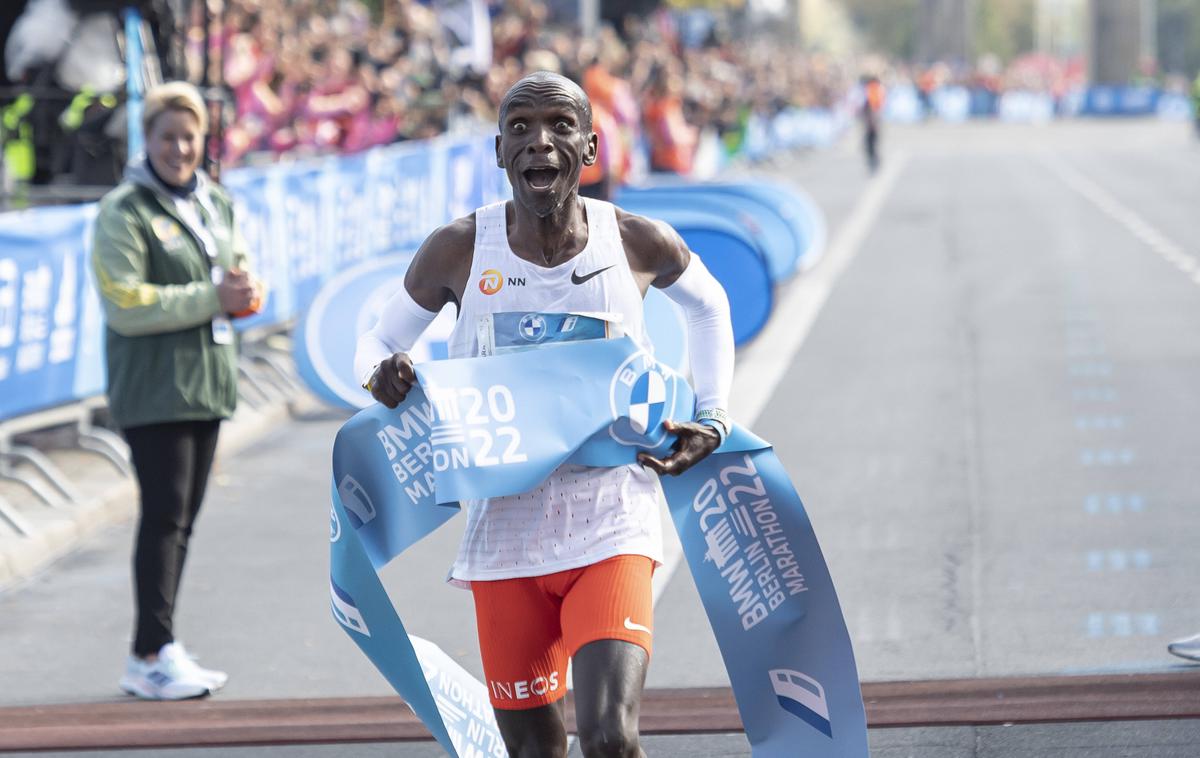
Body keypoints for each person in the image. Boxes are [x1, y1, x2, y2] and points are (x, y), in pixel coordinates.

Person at [354, 71, 734, 758]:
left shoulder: (636, 242)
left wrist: (711, 415)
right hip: (505, 534)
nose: (541, 141)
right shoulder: (460, 249)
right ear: (499, 150)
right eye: (521, 127)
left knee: (611, 738)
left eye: (561, 125)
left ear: (589, 145)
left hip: (612, 517)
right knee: (536, 752)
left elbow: (709, 307)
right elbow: (379, 341)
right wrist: (379, 374)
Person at [91, 81, 263, 701]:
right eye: (168, 137)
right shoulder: (124, 210)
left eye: (189, 137)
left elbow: (236, 265)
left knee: (182, 520)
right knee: (164, 518)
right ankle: (149, 651)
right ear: (149, 140)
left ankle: (158, 644)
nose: (179, 148)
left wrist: (246, 292)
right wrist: (211, 298)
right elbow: (125, 301)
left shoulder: (213, 201)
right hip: (154, 386)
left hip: (206, 381)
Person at [861, 74, 885, 173]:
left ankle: (874, 160)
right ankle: (874, 159)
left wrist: (872, 121)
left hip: (872, 120)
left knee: (870, 142)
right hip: (873, 119)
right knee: (871, 142)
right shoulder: (877, 89)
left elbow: (872, 106)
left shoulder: (872, 89)